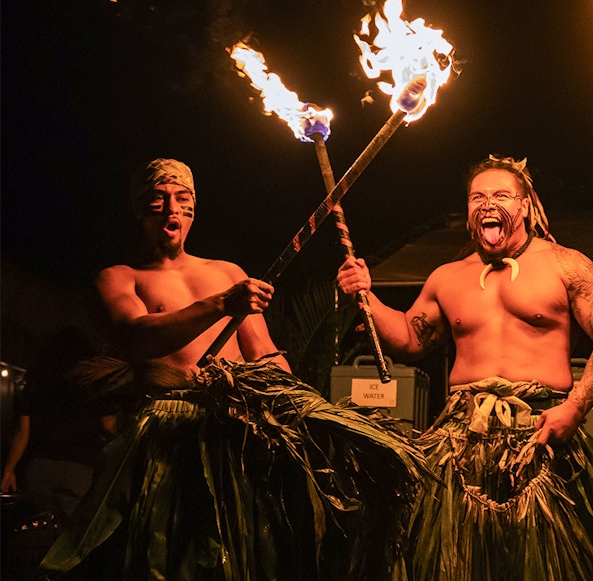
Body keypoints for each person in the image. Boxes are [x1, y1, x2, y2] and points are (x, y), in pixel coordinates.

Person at [41, 158, 426, 581]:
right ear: (138, 209)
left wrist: (303, 408)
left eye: (182, 199)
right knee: (168, 557)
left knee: (248, 554)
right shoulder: (120, 277)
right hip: (167, 432)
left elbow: (263, 353)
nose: (171, 209)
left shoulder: (226, 272)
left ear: (193, 210)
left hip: (237, 431)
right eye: (158, 199)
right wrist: (220, 305)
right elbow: (136, 336)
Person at [335, 154, 593, 581]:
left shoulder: (566, 264)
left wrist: (576, 406)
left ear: (526, 206)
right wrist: (366, 297)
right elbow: (409, 339)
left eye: (501, 194)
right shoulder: (447, 277)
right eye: (477, 196)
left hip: (541, 433)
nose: (486, 203)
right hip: (461, 439)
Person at [1, 329, 116, 526]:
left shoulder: (37, 383)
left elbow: (23, 432)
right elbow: (109, 427)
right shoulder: (93, 382)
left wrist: (9, 470)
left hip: (39, 468)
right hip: (80, 468)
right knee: (72, 538)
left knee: (38, 531)